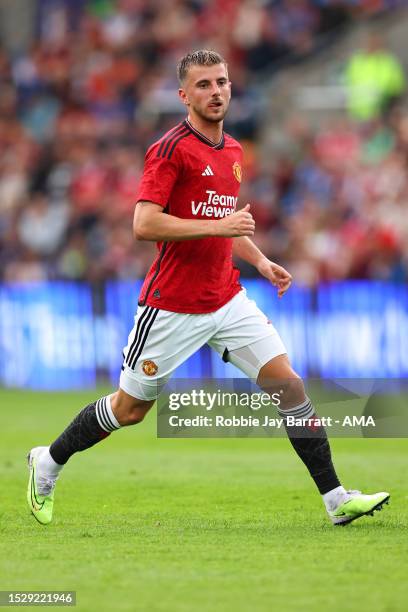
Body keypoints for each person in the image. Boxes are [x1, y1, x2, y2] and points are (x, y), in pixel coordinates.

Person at [27, 50, 389, 526]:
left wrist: (260, 259)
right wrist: (218, 227)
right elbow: (144, 223)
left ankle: (336, 499)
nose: (215, 91)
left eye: (221, 82)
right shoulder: (169, 149)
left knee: (290, 388)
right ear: (184, 95)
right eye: (203, 85)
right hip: (172, 305)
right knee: (130, 409)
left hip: (227, 297)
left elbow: (226, 224)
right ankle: (48, 462)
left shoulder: (234, 152)